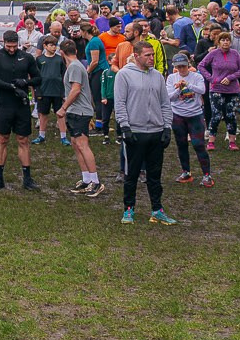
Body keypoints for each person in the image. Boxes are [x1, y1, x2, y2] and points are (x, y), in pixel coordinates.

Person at [113, 41, 178, 226]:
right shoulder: (124, 75)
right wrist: (125, 127)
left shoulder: (157, 76)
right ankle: (128, 209)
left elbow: (165, 103)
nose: (152, 58)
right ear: (137, 55)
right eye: (148, 55)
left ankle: (157, 210)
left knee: (155, 175)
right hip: (135, 131)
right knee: (131, 174)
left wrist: (167, 127)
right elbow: (120, 104)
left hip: (156, 131)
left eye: (153, 55)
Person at [0, 30, 39, 190]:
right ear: (3, 43)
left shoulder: (26, 57)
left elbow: (37, 78)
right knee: (3, 139)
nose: (12, 49)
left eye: (14, 46)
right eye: (9, 46)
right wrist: (11, 86)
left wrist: (24, 82)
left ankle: (27, 178)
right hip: (3, 104)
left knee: (23, 140)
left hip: (21, 105)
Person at [58, 38, 102, 195]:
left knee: (82, 145)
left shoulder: (75, 67)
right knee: (75, 143)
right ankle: (86, 179)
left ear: (61, 52)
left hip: (80, 112)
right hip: (76, 111)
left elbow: (76, 90)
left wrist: (63, 108)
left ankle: (96, 182)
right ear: (75, 51)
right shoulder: (75, 66)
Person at [166, 51, 213, 187]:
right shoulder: (171, 78)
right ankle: (186, 171)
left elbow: (202, 90)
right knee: (181, 145)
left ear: (188, 64)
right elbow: (170, 97)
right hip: (178, 115)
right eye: (178, 67)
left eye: (183, 66)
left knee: (198, 144)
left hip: (195, 115)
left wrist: (187, 85)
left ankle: (206, 174)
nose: (181, 69)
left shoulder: (197, 76)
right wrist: (179, 89)